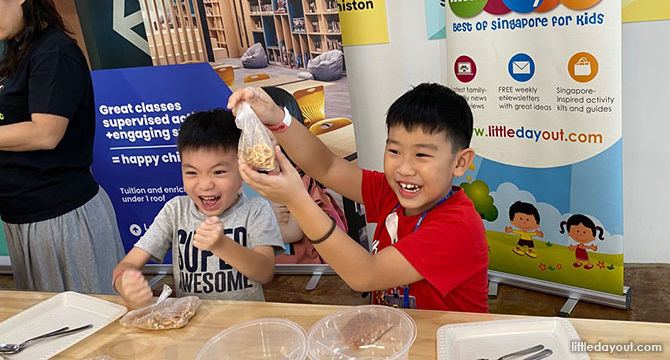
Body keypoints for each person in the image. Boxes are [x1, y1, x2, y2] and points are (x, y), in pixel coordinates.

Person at [229, 83, 489, 312]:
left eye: (422, 155)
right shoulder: (391, 191)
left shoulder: (458, 226)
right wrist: (277, 118)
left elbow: (365, 274)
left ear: (460, 162)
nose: (404, 169)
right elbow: (328, 166)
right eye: (395, 150)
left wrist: (298, 201)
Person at [0, 0, 124, 293]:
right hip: (23, 215)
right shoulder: (15, 51)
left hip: (62, 218)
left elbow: (46, 132)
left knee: (91, 327)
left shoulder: (53, 51)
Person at [112, 109, 284, 306]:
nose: (205, 185)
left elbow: (265, 272)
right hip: (191, 326)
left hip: (244, 325)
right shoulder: (175, 210)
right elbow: (126, 265)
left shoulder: (255, 209)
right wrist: (124, 282)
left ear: (243, 170)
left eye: (218, 172)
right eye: (192, 173)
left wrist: (221, 245)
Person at [261, 86, 347, 264]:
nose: (259, 132)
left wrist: (259, 221)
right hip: (272, 268)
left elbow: (292, 232)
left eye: (266, 124)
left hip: (305, 270)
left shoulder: (298, 177)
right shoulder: (252, 175)